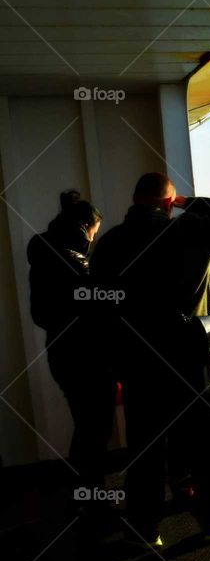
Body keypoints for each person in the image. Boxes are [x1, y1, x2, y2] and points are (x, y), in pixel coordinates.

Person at [91, 173, 210, 547]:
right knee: (207, 445)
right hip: (192, 360)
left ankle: (145, 529)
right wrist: (187, 203)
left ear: (134, 198)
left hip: (138, 363)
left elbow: (99, 309)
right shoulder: (188, 233)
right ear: (167, 202)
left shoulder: (110, 242)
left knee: (144, 448)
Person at [26, 191, 116, 509]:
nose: (95, 238)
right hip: (87, 357)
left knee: (86, 424)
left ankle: (85, 492)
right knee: (96, 428)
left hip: (61, 353)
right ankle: (90, 496)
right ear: (85, 227)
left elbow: (42, 314)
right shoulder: (75, 264)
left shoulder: (45, 256)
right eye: (94, 231)